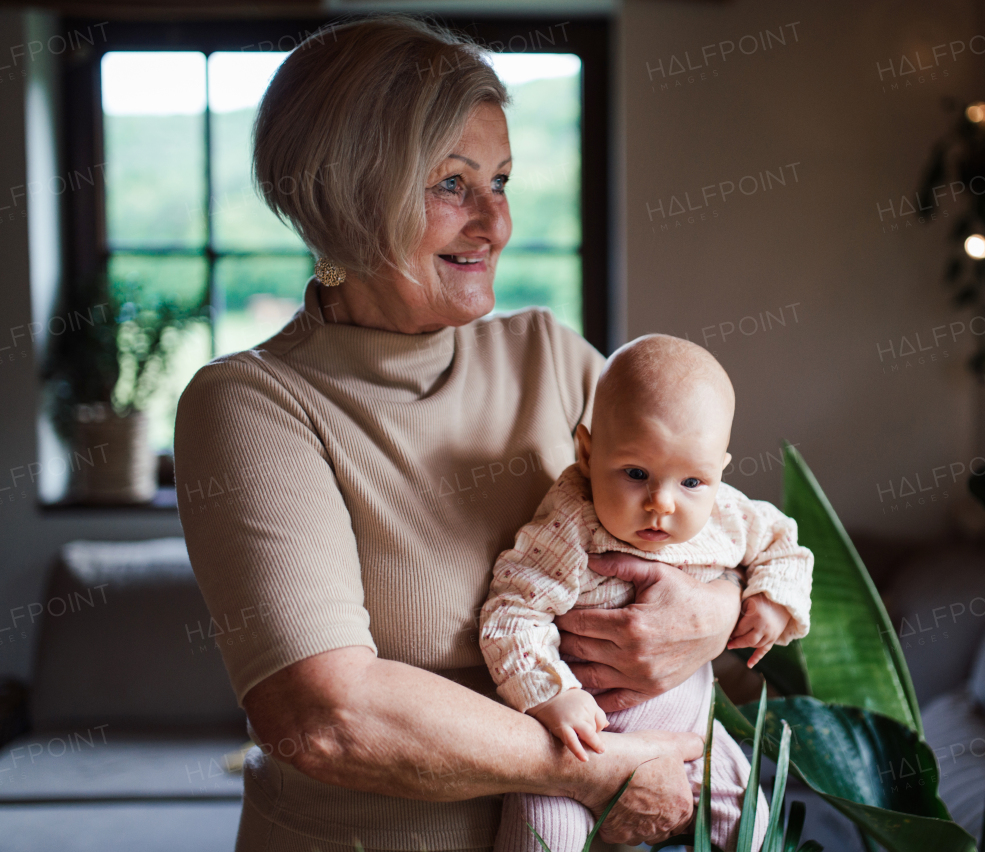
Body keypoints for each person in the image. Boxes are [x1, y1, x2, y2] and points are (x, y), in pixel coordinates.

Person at [174, 17, 745, 852]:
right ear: (352, 191)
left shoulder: (548, 354)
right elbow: (323, 715)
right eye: (452, 184)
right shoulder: (253, 404)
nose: (494, 224)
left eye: (502, 182)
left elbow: (706, 518)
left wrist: (714, 611)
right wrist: (593, 770)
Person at [480, 335, 814, 852]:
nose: (662, 503)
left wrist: (771, 597)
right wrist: (551, 693)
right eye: (637, 474)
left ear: (719, 470)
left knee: (751, 821)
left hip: (693, 741)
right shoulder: (571, 526)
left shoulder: (726, 513)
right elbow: (512, 614)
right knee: (545, 835)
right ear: (588, 453)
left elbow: (783, 544)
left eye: (692, 481)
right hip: (579, 746)